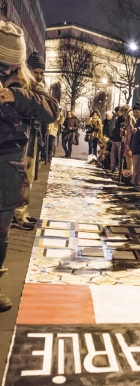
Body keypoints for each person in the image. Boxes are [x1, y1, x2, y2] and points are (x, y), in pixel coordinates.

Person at [0, 21, 58, 309]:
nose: (7, 71)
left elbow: (50, 112)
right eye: (2, 65)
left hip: (10, 168)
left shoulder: (26, 84)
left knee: (1, 232)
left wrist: (17, 96)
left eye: (12, 66)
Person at [13, 51, 51, 230]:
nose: (39, 76)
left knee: (27, 175)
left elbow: (50, 112)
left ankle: (20, 212)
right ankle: (18, 214)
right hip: (20, 138)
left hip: (32, 135)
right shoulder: (21, 86)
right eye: (36, 72)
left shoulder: (37, 88)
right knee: (22, 176)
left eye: (42, 73)